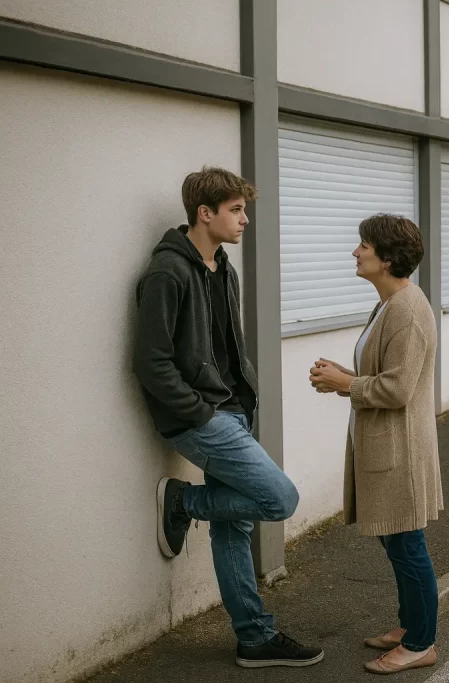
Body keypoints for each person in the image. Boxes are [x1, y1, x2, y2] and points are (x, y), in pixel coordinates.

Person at [133, 166, 323, 668]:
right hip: (201, 417)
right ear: (205, 213)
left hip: (235, 409)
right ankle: (184, 501)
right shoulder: (166, 273)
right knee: (279, 497)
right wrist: (197, 412)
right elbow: (151, 361)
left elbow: (226, 347)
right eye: (236, 210)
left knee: (235, 526)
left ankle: (254, 636)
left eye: (243, 210)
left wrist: (243, 396)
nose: (244, 220)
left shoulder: (223, 268)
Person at [308, 213, 443, 675]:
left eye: (363, 245)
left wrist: (345, 384)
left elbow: (399, 388)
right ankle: (411, 626)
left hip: (400, 450)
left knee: (407, 544)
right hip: (388, 445)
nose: (355, 252)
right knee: (396, 542)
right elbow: (383, 376)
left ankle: (422, 642)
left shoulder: (407, 310)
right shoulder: (390, 303)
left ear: (386, 259)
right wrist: (344, 377)